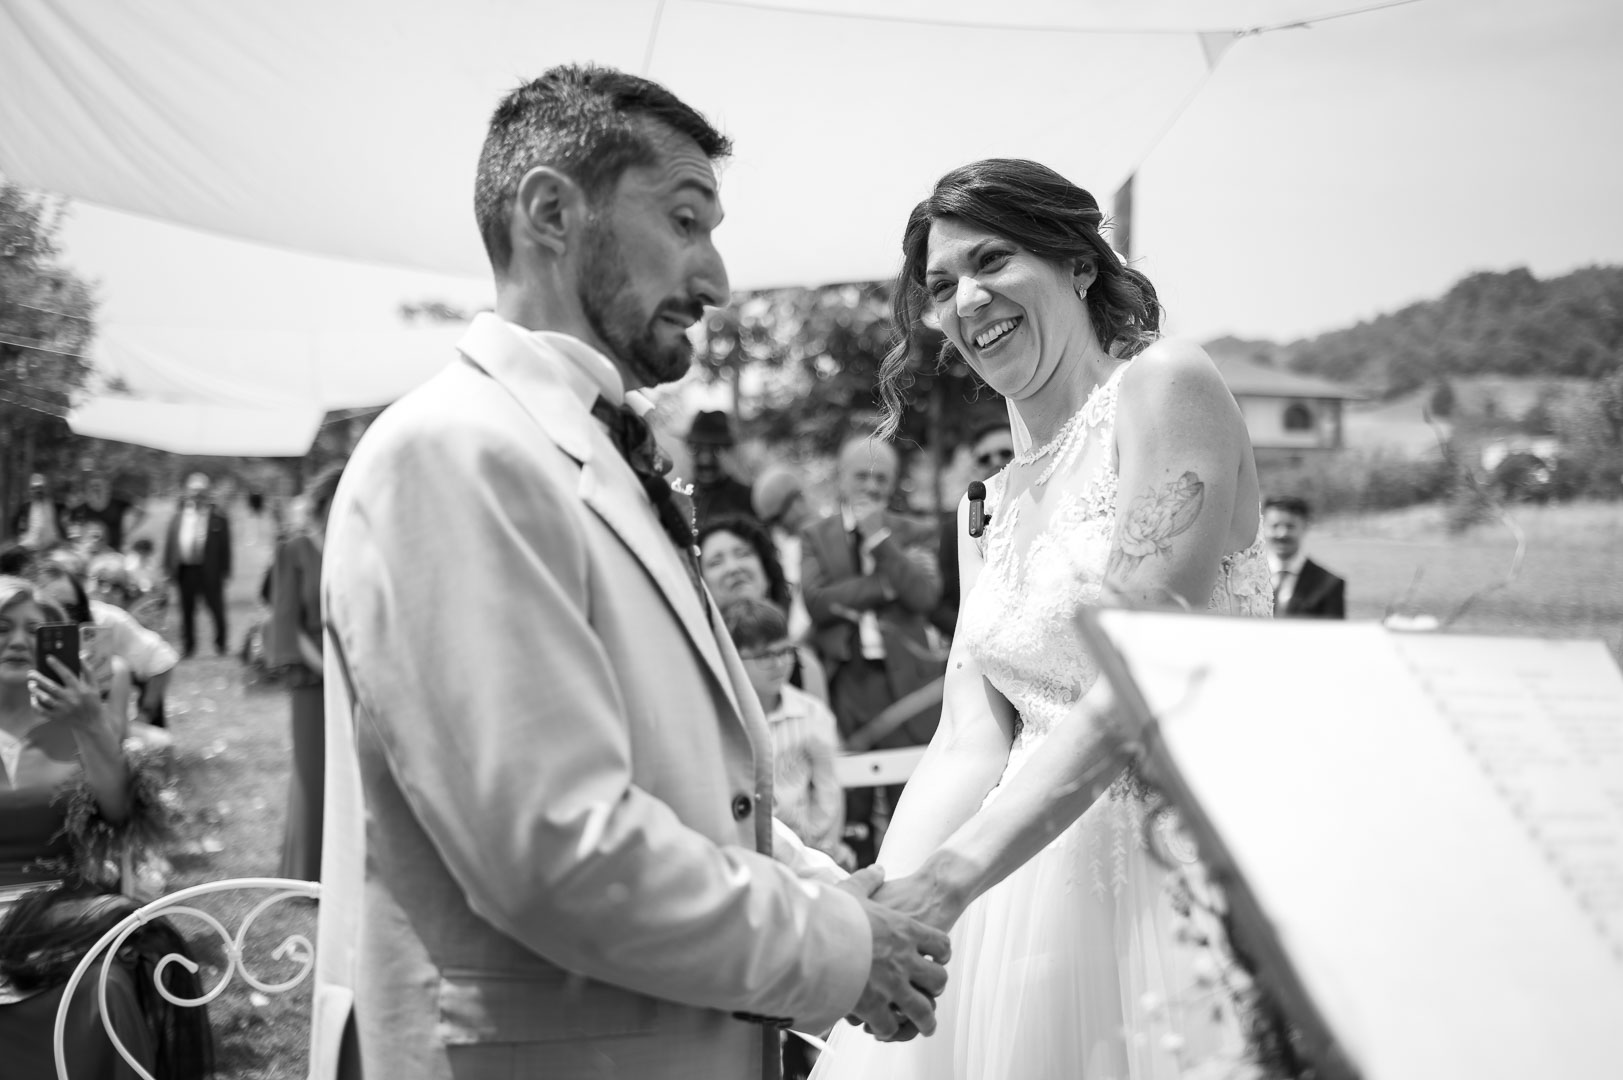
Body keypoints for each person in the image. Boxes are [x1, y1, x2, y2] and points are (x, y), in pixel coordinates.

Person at [311, 64, 949, 1080]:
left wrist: (832, 897)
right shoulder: (455, 453)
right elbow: (554, 848)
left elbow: (684, 782)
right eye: (685, 221)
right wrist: (836, 949)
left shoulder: (599, 452)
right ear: (551, 214)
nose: (717, 279)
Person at [811, 159, 1273, 1079]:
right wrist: (888, 907)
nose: (967, 299)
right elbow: (965, 743)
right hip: (1014, 897)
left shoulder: (1165, 388)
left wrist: (949, 881)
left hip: (1175, 875)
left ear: (1078, 263)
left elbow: (1136, 677)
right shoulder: (983, 507)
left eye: (992, 261)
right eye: (941, 285)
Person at [0, 577, 210, 1080]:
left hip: (60, 914)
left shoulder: (79, 724)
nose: (17, 641)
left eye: (34, 630)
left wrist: (91, 721)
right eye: (2, 628)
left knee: (108, 986)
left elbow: (118, 815)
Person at [801, 435, 946, 867]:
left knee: (911, 800)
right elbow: (817, 602)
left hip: (905, 684)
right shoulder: (816, 536)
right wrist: (885, 586)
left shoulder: (915, 531)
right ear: (842, 479)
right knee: (853, 804)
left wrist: (879, 539)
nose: (871, 485)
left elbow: (923, 595)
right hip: (846, 681)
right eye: (862, 476)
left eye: (881, 477)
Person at [266, 463, 343, 882]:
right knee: (314, 773)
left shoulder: (358, 546)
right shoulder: (295, 550)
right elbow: (287, 620)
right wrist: (326, 667)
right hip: (314, 679)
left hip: (359, 678)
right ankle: (311, 873)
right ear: (321, 503)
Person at [698, 514, 829, 704]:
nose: (733, 568)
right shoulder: (699, 667)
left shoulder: (804, 668)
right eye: (715, 562)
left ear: (767, 571)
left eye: (743, 553)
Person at [931, 417, 1014, 640]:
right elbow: (939, 606)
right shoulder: (955, 527)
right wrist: (975, 637)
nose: (995, 462)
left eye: (1005, 453)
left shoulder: (1044, 506)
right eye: (984, 458)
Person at [162, 472, 232, 657]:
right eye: (194, 491)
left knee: (216, 608)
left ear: (207, 492)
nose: (197, 495)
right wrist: (168, 568)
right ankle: (188, 646)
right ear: (187, 492)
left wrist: (225, 570)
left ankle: (221, 644)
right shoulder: (179, 515)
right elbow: (171, 543)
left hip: (209, 569)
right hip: (185, 569)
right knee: (186, 610)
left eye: (201, 491)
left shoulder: (218, 517)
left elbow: (225, 546)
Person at [751, 464, 816, 642]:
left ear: (797, 501)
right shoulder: (791, 547)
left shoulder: (827, 537)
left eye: (777, 519)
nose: (778, 528)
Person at [1264, 495, 1346, 618]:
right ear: (1263, 526)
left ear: (1305, 526)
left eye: (1290, 526)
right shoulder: (1245, 578)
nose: (1282, 534)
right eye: (1275, 526)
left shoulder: (1329, 584)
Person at [685, 408, 757, 527]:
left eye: (716, 450)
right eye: (697, 449)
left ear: (729, 452)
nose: (705, 459)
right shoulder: (684, 495)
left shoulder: (746, 498)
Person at [68, 476, 139, 554]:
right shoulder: (80, 510)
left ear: (107, 489)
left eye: (99, 488)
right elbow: (72, 530)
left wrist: (129, 532)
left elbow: (139, 509)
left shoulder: (119, 504)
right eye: (93, 488)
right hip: (88, 551)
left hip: (116, 550)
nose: (96, 491)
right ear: (87, 491)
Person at [11, 475, 65, 551]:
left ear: (45, 489)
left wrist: (64, 538)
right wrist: (17, 537)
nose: (38, 491)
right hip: (30, 545)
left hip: (51, 545)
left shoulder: (54, 505)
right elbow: (14, 521)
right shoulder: (26, 506)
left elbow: (61, 523)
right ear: (31, 491)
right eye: (35, 488)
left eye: (40, 488)